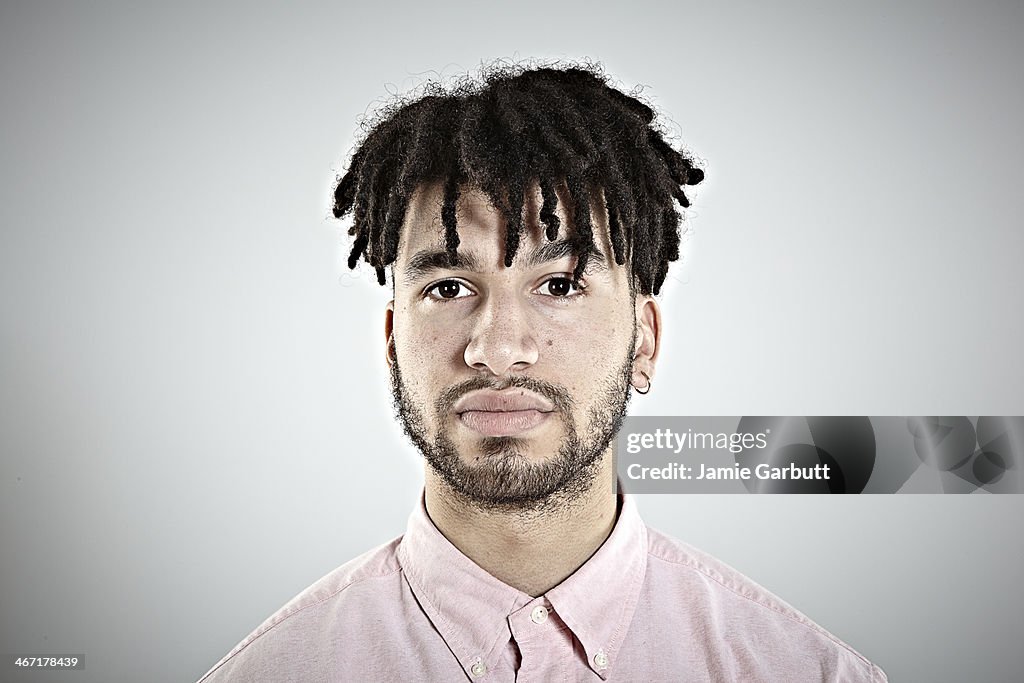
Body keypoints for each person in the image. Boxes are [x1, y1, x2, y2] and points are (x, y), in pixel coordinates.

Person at [198, 62, 887, 682]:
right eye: (447, 288)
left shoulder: (807, 671)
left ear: (644, 340)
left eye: (559, 284)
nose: (498, 351)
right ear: (391, 342)